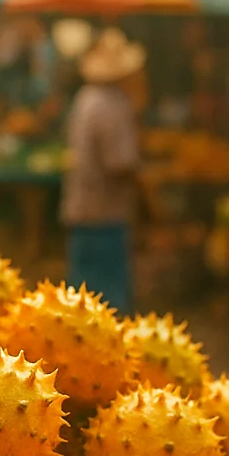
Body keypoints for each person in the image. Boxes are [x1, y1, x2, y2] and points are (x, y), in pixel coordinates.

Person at [62, 28, 145, 315]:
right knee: (108, 305)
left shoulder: (85, 98)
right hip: (106, 213)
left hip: (82, 210)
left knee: (80, 300)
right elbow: (120, 163)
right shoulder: (114, 105)